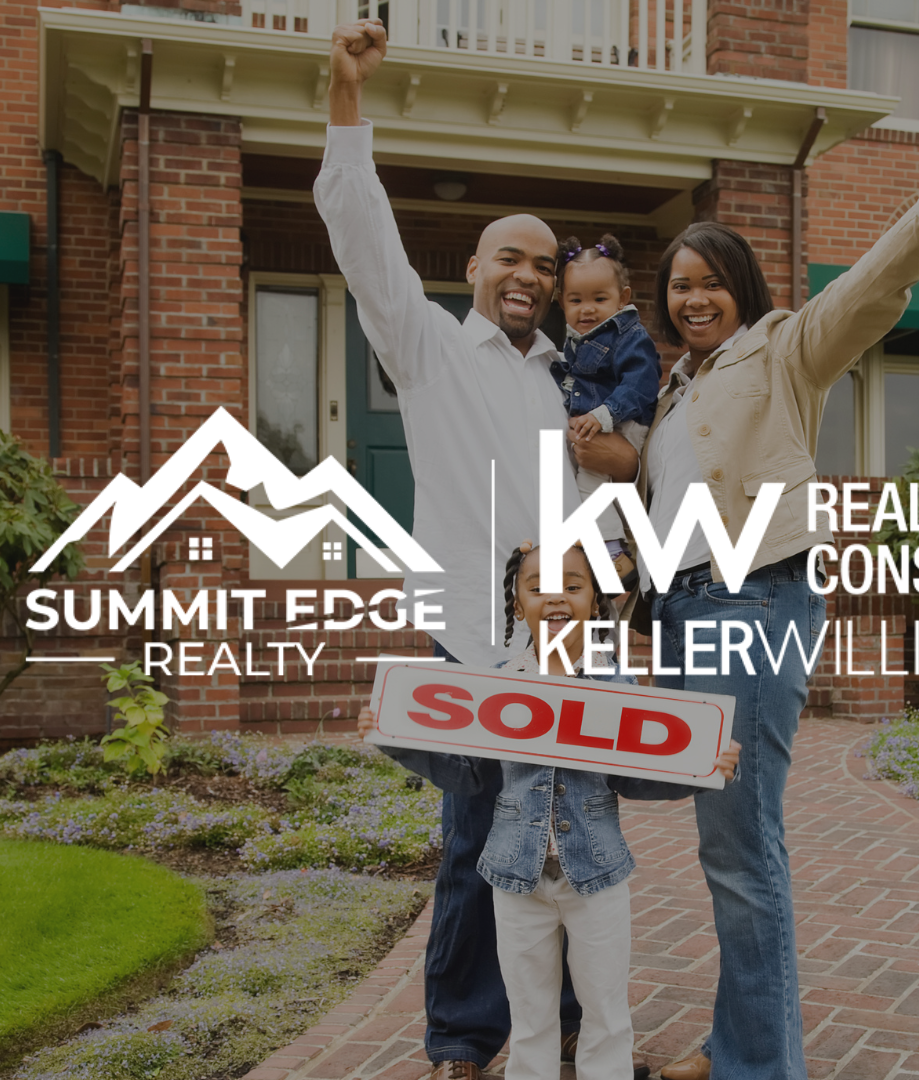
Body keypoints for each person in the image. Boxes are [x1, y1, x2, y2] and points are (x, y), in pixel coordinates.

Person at [575, 127, 919, 1080]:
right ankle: (741, 1047)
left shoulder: (785, 350)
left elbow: (871, 288)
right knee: (702, 819)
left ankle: (759, 1065)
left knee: (740, 841)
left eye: (710, 280)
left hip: (750, 601)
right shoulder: (675, 394)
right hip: (683, 611)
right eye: (678, 285)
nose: (693, 297)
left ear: (743, 289)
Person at [315, 18, 643, 1080]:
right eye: (512, 257)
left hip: (568, 636)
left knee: (574, 842)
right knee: (475, 848)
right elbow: (363, 242)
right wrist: (347, 104)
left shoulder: (566, 380)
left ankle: (576, 1044)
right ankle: (464, 1045)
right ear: (473, 266)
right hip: (473, 634)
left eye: (546, 266)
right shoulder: (427, 351)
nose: (532, 276)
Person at [360, 541, 740, 1080]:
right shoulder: (495, 683)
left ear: (595, 602)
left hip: (597, 875)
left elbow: (634, 777)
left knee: (605, 1013)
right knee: (530, 1015)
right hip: (516, 876)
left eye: (573, 585)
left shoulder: (616, 687)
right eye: (537, 587)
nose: (555, 597)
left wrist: (704, 770)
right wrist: (395, 738)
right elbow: (467, 775)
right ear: (516, 603)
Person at [552, 234, 664, 563]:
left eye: (599, 298)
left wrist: (604, 415)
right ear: (561, 302)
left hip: (625, 422)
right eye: (576, 300)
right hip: (606, 423)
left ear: (622, 298)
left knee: (590, 485)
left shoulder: (628, 335)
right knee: (592, 486)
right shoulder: (577, 341)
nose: (587, 308)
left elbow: (642, 382)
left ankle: (614, 554)